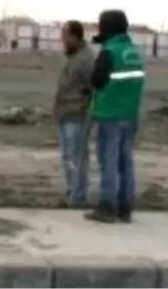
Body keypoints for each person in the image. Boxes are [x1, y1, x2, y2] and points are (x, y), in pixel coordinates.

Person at [86, 9, 145, 223]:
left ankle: (108, 205)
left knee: (108, 161)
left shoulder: (109, 52)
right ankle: (125, 207)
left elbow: (96, 81)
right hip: (130, 114)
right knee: (125, 161)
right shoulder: (134, 52)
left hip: (109, 114)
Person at [54, 20, 93, 209]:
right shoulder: (74, 57)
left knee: (76, 157)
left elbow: (92, 87)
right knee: (69, 157)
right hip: (66, 114)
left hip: (77, 115)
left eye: (65, 37)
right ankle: (72, 192)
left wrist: (83, 104)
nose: (62, 41)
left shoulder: (85, 60)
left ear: (76, 37)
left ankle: (78, 196)